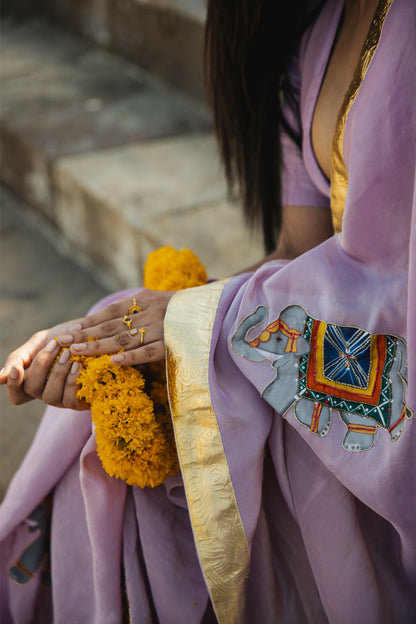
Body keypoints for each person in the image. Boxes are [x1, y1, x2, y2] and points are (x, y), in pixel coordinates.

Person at [1, 0, 415, 622]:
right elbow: (296, 253)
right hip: (325, 353)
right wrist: (101, 338)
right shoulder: (314, 34)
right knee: (122, 365)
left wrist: (204, 325)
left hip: (386, 402)